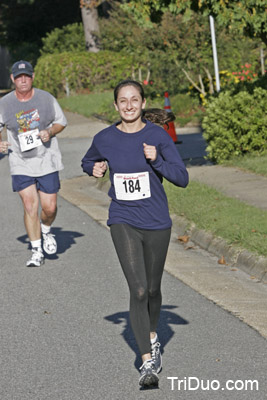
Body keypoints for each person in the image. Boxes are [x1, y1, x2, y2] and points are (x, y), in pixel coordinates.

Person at [81, 80, 188, 388]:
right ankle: (146, 361)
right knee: (138, 290)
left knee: (153, 290)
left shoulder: (157, 136)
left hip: (156, 221)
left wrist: (157, 160)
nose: (128, 105)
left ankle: (152, 335)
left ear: (142, 103)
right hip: (123, 218)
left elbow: (182, 177)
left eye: (134, 100)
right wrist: (94, 169)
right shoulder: (105, 138)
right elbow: (89, 159)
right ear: (116, 106)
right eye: (122, 101)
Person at [0, 60, 67, 267]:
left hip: (46, 159)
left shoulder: (46, 99)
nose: (23, 80)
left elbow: (61, 122)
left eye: (26, 76)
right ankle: (36, 250)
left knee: (50, 207)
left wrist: (50, 131)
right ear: (12, 79)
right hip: (20, 161)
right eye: (19, 77)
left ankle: (46, 229)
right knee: (30, 205)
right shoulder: (5, 103)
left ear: (32, 77)